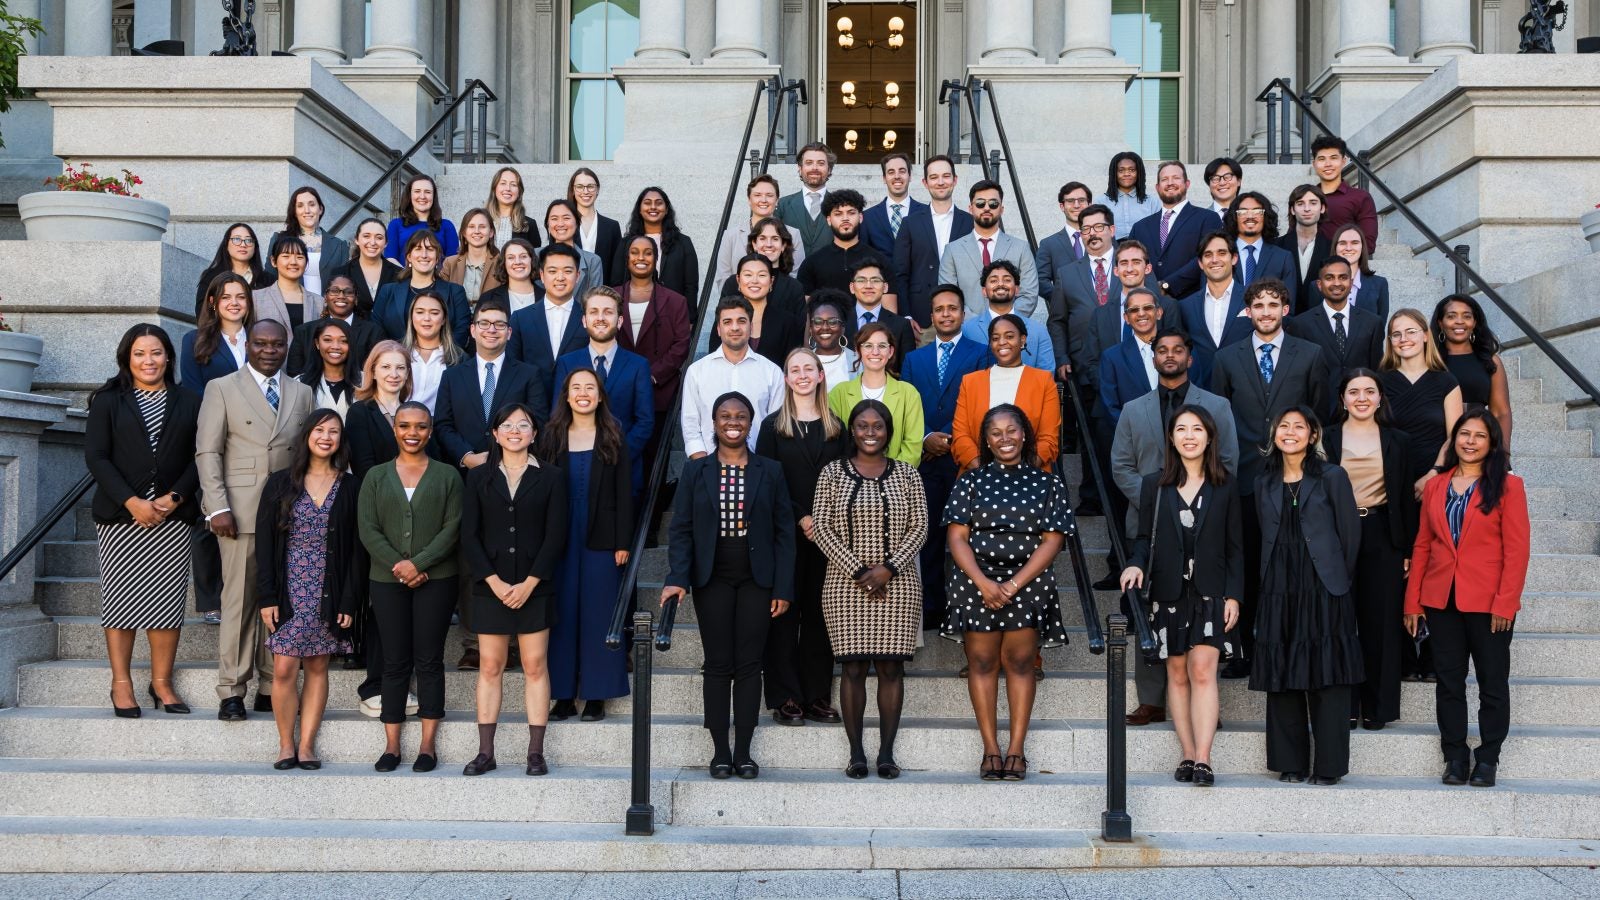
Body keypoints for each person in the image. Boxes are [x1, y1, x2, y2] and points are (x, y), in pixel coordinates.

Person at [661, 392, 795, 780]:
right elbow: (681, 527)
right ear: (714, 423)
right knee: (719, 664)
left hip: (758, 578)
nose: (732, 421)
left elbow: (785, 532)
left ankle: (745, 751)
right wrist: (677, 577)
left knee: (750, 665)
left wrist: (782, 587)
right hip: (712, 578)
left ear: (750, 423)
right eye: (724, 416)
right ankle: (720, 750)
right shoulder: (696, 471)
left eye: (740, 416)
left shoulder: (770, 470)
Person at [1111, 329, 1239, 725]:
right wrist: (1161, 500)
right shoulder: (1134, 409)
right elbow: (1121, 465)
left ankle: (1204, 705)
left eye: (1177, 350)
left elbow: (1229, 459)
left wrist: (1189, 502)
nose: (1169, 356)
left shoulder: (1215, 405)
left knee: (1204, 620)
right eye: (1161, 350)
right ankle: (1151, 699)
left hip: (1207, 526)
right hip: (1151, 525)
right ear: (1153, 358)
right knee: (1152, 608)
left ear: (1189, 356)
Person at [1209, 279, 1330, 676]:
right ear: (1248, 311)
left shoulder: (1310, 355)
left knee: (1287, 561)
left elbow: (1319, 414)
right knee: (1244, 561)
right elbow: (1218, 420)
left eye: (1272, 304)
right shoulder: (1227, 359)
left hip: (1292, 477)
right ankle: (1242, 650)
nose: (1265, 311)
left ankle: (1288, 646)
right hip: (1241, 477)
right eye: (1257, 305)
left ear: (1285, 309)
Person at [943, 403, 1070, 781]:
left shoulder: (1047, 482)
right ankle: (990, 750)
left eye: (1011, 430)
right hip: (975, 583)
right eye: (995, 432)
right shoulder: (970, 480)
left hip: (1028, 584)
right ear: (985, 439)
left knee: (1018, 663)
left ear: (1025, 433)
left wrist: (1013, 585)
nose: (1004, 438)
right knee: (981, 663)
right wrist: (984, 583)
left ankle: (1016, 750)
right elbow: (956, 536)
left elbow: (1053, 541)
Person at [196, 319, 314, 721]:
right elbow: (208, 452)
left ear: (287, 346)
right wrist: (217, 507)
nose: (268, 350)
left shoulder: (302, 391)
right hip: (240, 513)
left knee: (281, 602)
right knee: (240, 603)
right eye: (260, 343)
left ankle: (270, 685)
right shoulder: (222, 388)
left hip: (289, 514)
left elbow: (308, 452)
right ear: (248, 344)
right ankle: (232, 689)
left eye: (276, 344)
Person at [1405, 409, 1530, 789]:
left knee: (1493, 682)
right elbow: (1424, 544)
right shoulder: (1437, 486)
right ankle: (1455, 756)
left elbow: (1518, 550)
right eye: (1464, 434)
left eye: (1479, 435)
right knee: (1449, 683)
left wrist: (1506, 603)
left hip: (1490, 603)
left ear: (1492, 442)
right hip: (1442, 601)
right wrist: (1413, 601)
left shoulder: (1509, 487)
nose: (1470, 441)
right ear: (1453, 440)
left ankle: (1488, 757)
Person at [1120, 404, 1242, 785]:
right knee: (1176, 672)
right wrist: (1136, 563)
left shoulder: (1226, 486)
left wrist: (1234, 595)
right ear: (1171, 438)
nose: (1189, 436)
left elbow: (1237, 547)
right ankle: (1187, 754)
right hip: (1169, 592)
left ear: (1209, 437)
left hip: (1211, 593)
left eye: (1197, 429)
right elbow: (1144, 538)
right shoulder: (1154, 484)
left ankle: (1204, 759)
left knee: (1203, 670)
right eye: (1181, 430)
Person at [86, 324, 201, 718]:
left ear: (169, 357)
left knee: (166, 602)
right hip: (121, 518)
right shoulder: (107, 401)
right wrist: (132, 501)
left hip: (173, 517)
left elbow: (199, 457)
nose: (148, 361)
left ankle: (162, 682)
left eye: (156, 353)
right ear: (127, 358)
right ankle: (121, 684)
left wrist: (173, 498)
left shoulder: (189, 401)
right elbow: (97, 457)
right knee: (121, 601)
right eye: (139, 353)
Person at [812, 400, 928, 779]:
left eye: (878, 426)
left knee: (891, 669)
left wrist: (888, 569)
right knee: (853, 669)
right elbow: (823, 528)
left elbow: (920, 527)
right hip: (845, 587)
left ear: (888, 430)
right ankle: (856, 752)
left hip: (899, 586)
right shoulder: (832, 473)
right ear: (853, 430)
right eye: (862, 425)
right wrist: (861, 571)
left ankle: (887, 754)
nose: (870, 432)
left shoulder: (908, 475)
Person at [1252, 406, 1363, 785]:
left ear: (1313, 436)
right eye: (1283, 425)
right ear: (1274, 435)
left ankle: (1329, 767)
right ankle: (1291, 763)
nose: (1290, 432)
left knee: (1328, 676)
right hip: (1277, 588)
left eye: (1299, 426)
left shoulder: (1333, 476)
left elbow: (1349, 537)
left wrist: (1336, 581)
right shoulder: (1263, 482)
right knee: (1281, 675)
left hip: (1324, 588)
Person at [460, 403, 567, 776]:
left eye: (524, 425)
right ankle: (485, 753)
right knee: (490, 665)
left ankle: (535, 753)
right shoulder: (478, 478)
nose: (515, 431)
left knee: (535, 665)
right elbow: (468, 536)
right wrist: (494, 581)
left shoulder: (552, 477)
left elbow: (556, 536)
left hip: (534, 585)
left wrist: (529, 583)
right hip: (491, 584)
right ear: (495, 433)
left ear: (535, 434)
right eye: (507, 425)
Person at [356, 402, 463, 773]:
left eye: (420, 426)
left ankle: (428, 745)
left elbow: (453, 528)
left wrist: (418, 564)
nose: (412, 433)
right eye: (404, 426)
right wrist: (400, 566)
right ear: (395, 430)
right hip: (386, 581)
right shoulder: (375, 476)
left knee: (429, 660)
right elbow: (368, 528)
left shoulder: (448, 475)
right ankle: (391, 746)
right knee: (394, 660)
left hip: (437, 579)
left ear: (430, 431)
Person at [255, 409, 362, 770]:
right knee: (284, 668)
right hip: (290, 586)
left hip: (328, 588)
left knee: (318, 665)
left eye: (334, 431)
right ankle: (285, 744)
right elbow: (266, 545)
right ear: (307, 436)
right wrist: (267, 596)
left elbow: (357, 550)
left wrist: (349, 598)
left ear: (340, 440)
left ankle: (307, 745)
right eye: (320, 430)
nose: (326, 437)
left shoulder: (351, 486)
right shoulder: (280, 482)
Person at [756, 349, 849, 726]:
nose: (803, 375)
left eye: (809, 368)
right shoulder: (771, 427)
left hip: (828, 537)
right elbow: (764, 481)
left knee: (819, 615)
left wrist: (821, 520)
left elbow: (846, 480)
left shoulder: (837, 427)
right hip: (784, 534)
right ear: (786, 378)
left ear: (821, 375)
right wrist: (800, 517)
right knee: (783, 614)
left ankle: (817, 695)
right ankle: (785, 696)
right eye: (795, 369)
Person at [1324, 369, 1418, 730]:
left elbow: (1406, 500)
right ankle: (1344, 704)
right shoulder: (1326, 438)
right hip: (1336, 533)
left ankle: (1378, 707)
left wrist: (1407, 546)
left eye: (1369, 391)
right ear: (1342, 398)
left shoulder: (1399, 441)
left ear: (1380, 398)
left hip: (1382, 532)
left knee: (1380, 623)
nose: (1361, 398)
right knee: (1340, 619)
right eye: (1353, 391)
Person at [540, 368, 634, 722]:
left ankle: (597, 694)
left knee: (598, 613)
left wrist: (623, 540)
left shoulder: (613, 434)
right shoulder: (550, 435)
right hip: (559, 537)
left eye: (589, 388)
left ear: (599, 395)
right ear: (565, 395)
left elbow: (625, 491)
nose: (582, 393)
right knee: (561, 614)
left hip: (603, 536)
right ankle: (563, 695)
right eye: (575, 387)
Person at [902, 286, 992, 626]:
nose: (945, 314)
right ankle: (931, 609)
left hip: (964, 459)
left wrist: (952, 438)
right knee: (928, 537)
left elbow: (981, 403)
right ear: (931, 315)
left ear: (963, 313)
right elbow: (910, 406)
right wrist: (926, 437)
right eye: (939, 309)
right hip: (925, 461)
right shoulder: (914, 359)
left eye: (952, 308)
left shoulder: (981, 353)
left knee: (968, 537)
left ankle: (968, 608)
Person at [343, 340, 420, 718]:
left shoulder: (414, 413)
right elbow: (367, 466)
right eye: (386, 367)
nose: (393, 374)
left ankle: (401, 683)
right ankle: (375, 685)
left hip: (414, 520)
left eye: (400, 368)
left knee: (405, 606)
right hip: (375, 515)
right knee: (379, 604)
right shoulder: (360, 413)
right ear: (372, 371)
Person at [181, 274, 254, 625]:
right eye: (227, 297)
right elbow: (195, 393)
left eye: (241, 296)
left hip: (254, 441)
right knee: (208, 516)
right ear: (213, 302)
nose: (234, 303)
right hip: (213, 437)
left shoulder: (260, 338)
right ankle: (210, 600)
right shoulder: (194, 341)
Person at [553, 286, 655, 490]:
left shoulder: (638, 365)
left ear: (619, 321)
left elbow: (645, 422)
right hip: (576, 471)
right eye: (593, 312)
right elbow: (557, 417)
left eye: (608, 312)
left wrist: (616, 456)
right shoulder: (567, 363)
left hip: (622, 472)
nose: (600, 318)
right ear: (584, 321)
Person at [435, 297, 549, 475]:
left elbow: (538, 423)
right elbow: (443, 425)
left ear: (509, 332)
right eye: (484, 323)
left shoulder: (529, 375)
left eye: (499, 324)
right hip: (464, 474)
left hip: (514, 472)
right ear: (473, 330)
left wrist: (507, 457)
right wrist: (467, 457)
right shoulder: (452, 376)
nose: (492, 330)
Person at [615, 234, 693, 487]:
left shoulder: (675, 301)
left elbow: (681, 345)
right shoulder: (610, 297)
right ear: (626, 259)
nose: (641, 258)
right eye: (634, 252)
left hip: (658, 392)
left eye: (648, 253)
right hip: (616, 391)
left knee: (652, 462)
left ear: (656, 260)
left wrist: (650, 375)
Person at [951, 315, 1062, 474]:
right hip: (978, 479)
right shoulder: (970, 382)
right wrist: (986, 473)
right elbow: (961, 436)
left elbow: (1048, 439)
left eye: (1009, 336)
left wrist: (1019, 473)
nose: (1002, 342)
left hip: (1031, 479)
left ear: (1022, 340)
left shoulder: (1043, 381)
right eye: (995, 338)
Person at [680, 297, 785, 458]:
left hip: (758, 467)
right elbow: (690, 424)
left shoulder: (772, 372)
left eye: (741, 321)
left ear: (751, 326)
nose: (735, 327)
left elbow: (777, 426)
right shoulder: (697, 371)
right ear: (718, 329)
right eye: (727, 322)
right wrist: (703, 466)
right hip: (707, 465)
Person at [1380, 308, 1465, 502]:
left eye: (1411, 331)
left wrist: (1433, 474)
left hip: (1436, 479)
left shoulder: (1447, 382)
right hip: (1389, 481)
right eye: (1396, 334)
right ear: (1390, 341)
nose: (1403, 338)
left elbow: (1455, 437)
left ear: (1426, 336)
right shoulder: (1379, 382)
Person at [892, 155, 973, 333]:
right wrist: (906, 315)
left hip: (965, 316)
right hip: (921, 318)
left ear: (955, 180)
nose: (940, 182)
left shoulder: (970, 222)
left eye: (946, 176)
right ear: (925, 182)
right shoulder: (910, 223)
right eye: (934, 177)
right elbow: (900, 273)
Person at [827, 322, 924, 467]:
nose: (875, 352)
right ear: (858, 351)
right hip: (850, 481)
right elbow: (834, 444)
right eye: (868, 345)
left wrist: (890, 478)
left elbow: (913, 447)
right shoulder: (838, 393)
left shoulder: (909, 394)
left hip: (895, 483)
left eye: (882, 346)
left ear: (890, 352)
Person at [939, 180, 1040, 318]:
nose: (986, 208)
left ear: (1001, 209)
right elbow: (949, 294)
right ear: (970, 208)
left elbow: (1029, 294)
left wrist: (1004, 322)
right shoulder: (952, 250)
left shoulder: (1021, 248)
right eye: (980, 203)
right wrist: (977, 324)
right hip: (967, 331)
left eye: (993, 204)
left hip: (1010, 331)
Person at [1128, 161, 1223, 300]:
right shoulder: (1140, 227)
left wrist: (1167, 285)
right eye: (1164, 179)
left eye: (1176, 178)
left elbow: (1206, 258)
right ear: (1157, 187)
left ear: (1187, 184)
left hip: (1190, 301)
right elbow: (1131, 261)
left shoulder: (1208, 218)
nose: (1170, 183)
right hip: (1147, 304)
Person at [508, 244, 590, 401]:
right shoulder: (520, 318)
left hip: (577, 407)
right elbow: (512, 368)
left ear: (578, 275)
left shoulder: (588, 318)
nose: (560, 277)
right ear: (542, 275)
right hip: (531, 407)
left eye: (567, 271)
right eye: (552, 271)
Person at [1285, 256, 1386, 384]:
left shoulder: (1372, 323)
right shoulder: (1300, 324)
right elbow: (1297, 374)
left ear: (1351, 282)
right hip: (1318, 402)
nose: (1337, 283)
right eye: (1329, 278)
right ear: (1319, 285)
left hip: (1360, 401)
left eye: (1343, 277)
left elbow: (1377, 371)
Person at [1432, 294, 1513, 446]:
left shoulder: (1490, 361)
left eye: (1467, 316)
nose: (1459, 321)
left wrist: (1503, 452)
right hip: (1434, 442)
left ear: (1475, 322)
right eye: (1451, 316)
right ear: (1440, 323)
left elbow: (1501, 412)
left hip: (1475, 442)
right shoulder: (1430, 361)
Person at [372, 230, 471, 349]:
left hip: (442, 362)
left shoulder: (455, 292)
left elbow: (462, 331)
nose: (424, 255)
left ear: (438, 257)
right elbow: (376, 329)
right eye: (418, 248)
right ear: (409, 256)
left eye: (430, 249)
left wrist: (436, 356)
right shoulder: (388, 291)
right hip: (395, 362)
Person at [1176, 231, 1249, 389]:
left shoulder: (1253, 300)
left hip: (1245, 391)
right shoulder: (1185, 306)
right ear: (1201, 263)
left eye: (1222, 253)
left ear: (1234, 258)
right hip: (1201, 391)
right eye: (1208, 255)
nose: (1215, 260)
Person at [710, 253, 809, 370]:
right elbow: (714, 362)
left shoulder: (787, 322)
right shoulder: (725, 320)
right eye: (748, 275)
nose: (754, 281)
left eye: (762, 275)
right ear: (738, 280)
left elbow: (792, 367)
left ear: (771, 281)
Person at [714, 175, 807, 295]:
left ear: (777, 200)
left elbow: (796, 275)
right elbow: (723, 277)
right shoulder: (731, 235)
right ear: (749, 200)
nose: (763, 200)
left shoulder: (793, 234)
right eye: (757, 195)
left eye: (769, 195)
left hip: (780, 305)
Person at [961, 260, 1055, 372]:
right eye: (993, 280)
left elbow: (1047, 375)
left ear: (1016, 289)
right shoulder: (967, 330)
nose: (1000, 284)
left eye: (1007, 280)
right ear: (984, 291)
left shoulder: (1038, 331)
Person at [612, 186, 698, 303]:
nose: (653, 207)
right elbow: (616, 282)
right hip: (632, 310)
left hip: (673, 311)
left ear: (666, 209)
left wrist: (690, 318)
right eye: (647, 203)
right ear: (640, 209)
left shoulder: (683, 243)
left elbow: (691, 286)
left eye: (659, 203)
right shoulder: (626, 243)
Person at [288, 274, 382, 378]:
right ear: (325, 297)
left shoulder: (374, 332)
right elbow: (294, 374)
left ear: (356, 299)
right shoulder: (304, 331)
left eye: (348, 292)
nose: (341, 296)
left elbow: (377, 372)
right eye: (334, 291)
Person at [795, 189, 884, 298]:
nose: (845, 218)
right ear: (829, 220)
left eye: (851, 213)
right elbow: (807, 312)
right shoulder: (811, 264)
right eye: (838, 214)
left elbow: (889, 312)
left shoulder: (880, 261)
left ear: (860, 217)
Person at [1098, 288, 1166, 425]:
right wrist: (1136, 434)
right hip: (1134, 439)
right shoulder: (1112, 358)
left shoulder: (1181, 351)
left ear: (1159, 313)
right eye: (1134, 310)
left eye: (1147, 307)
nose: (1141, 313)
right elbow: (1110, 406)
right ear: (1126, 318)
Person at [718, 217, 808, 318]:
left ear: (783, 245)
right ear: (754, 244)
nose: (768, 244)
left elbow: (798, 329)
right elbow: (722, 325)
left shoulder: (794, 288)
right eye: (762, 238)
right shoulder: (733, 283)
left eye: (775, 239)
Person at [268, 186, 348, 298]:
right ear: (295, 212)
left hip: (327, 309)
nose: (307, 210)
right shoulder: (279, 239)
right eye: (300, 206)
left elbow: (344, 283)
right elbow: (270, 277)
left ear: (320, 209)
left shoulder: (339, 245)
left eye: (312, 204)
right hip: (289, 305)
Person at [840, 257, 915, 372]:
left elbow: (907, 371)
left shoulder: (901, 325)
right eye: (861, 280)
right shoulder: (840, 321)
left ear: (885, 287)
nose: (869, 286)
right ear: (852, 287)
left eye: (875, 280)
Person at [1226, 192, 1298, 308]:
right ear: (1234, 217)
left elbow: (1288, 306)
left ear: (1266, 217)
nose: (1250, 216)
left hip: (1268, 324)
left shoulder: (1283, 258)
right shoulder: (1220, 255)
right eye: (1243, 211)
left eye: (1257, 211)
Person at [1311, 135, 1379, 250]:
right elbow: (1293, 239)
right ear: (1314, 164)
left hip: (1345, 264)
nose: (1328, 164)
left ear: (1343, 161)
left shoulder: (1360, 197)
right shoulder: (1306, 198)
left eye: (1333, 158)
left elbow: (1369, 243)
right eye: (1322, 159)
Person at [402, 290, 465, 413]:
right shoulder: (396, 352)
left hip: (439, 427)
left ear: (443, 320)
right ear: (411, 317)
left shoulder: (459, 359)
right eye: (420, 312)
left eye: (434, 313)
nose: (427, 318)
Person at [1272, 185, 1332, 312]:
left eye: (1313, 203)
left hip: (1319, 320)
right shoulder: (1276, 246)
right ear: (1292, 209)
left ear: (1322, 208)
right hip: (1284, 320)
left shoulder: (1332, 248)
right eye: (1300, 203)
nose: (1307, 209)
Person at [774, 142, 836, 256]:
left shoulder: (840, 206)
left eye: (821, 163)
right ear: (800, 168)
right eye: (809, 163)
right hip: (791, 272)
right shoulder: (782, 205)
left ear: (830, 169)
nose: (814, 168)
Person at [194, 223, 268, 316]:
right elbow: (203, 311)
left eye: (249, 240)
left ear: (255, 247)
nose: (243, 245)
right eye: (237, 239)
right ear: (226, 245)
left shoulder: (267, 280)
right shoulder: (212, 276)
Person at [860, 152, 924, 259]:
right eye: (891, 172)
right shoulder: (867, 217)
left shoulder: (926, 213)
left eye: (902, 171)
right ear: (884, 178)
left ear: (910, 176)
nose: (897, 176)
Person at [542, 198, 608, 299]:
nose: (560, 224)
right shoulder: (535, 256)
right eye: (554, 218)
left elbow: (595, 302)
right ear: (548, 224)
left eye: (566, 218)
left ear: (577, 223)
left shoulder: (593, 261)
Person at [1035, 181, 1091, 299]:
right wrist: (1062, 300)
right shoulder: (1048, 244)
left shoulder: (1105, 239)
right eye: (1070, 201)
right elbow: (1040, 280)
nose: (1076, 205)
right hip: (1066, 315)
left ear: (1089, 204)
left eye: (1081, 200)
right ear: (1062, 206)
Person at [1321, 224, 1390, 321]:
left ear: (1362, 248)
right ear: (1335, 247)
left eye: (1355, 243)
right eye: (1342, 243)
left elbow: (1379, 328)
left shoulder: (1379, 284)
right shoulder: (1317, 286)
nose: (1348, 248)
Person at [254, 234, 321, 333]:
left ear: (306, 262)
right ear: (273, 261)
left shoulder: (319, 302)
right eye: (286, 256)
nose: (293, 262)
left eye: (299, 257)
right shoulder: (256, 299)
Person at [339, 217, 402, 320]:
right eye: (366, 236)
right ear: (357, 240)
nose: (372, 242)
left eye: (379, 237)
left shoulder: (399, 274)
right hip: (353, 333)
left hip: (390, 335)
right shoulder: (341, 273)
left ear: (386, 243)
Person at [385, 173, 458, 261]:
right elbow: (390, 259)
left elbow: (452, 262)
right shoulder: (396, 225)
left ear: (434, 196)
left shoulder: (447, 226)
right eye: (417, 191)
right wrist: (410, 275)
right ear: (410, 195)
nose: (422, 196)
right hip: (402, 274)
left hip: (438, 274)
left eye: (427, 192)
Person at [293, 319, 355, 420]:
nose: (335, 346)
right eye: (327, 340)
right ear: (317, 343)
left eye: (344, 341)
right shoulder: (299, 383)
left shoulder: (366, 381)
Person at [439, 207, 502, 305]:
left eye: (482, 226)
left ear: (491, 232)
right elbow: (440, 297)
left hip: (490, 318)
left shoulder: (501, 263)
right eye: (471, 226)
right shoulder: (450, 263)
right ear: (464, 233)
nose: (476, 231)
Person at [568, 166, 621, 271]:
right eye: (579, 186)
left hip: (603, 286)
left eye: (590, 186)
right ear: (573, 190)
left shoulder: (612, 226)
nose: (586, 191)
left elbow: (617, 266)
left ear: (597, 190)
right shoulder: (563, 224)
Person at [806, 291, 859, 389]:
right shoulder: (803, 361)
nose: (825, 327)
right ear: (811, 328)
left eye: (833, 322)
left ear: (842, 328)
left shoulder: (858, 361)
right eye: (818, 322)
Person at [479, 238, 540, 315]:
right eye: (511, 258)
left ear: (532, 260)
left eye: (523, 256)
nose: (517, 262)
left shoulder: (547, 297)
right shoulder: (488, 298)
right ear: (504, 263)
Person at [485, 166, 542, 250]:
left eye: (513, 185)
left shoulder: (529, 224)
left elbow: (534, 259)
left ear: (519, 192)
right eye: (503, 183)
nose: (508, 188)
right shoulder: (482, 221)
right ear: (494, 189)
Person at [1101, 150, 1160, 230]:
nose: (1126, 174)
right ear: (1114, 173)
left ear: (1139, 173)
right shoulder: (1100, 202)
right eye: (1121, 170)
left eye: (1132, 170)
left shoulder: (1152, 203)